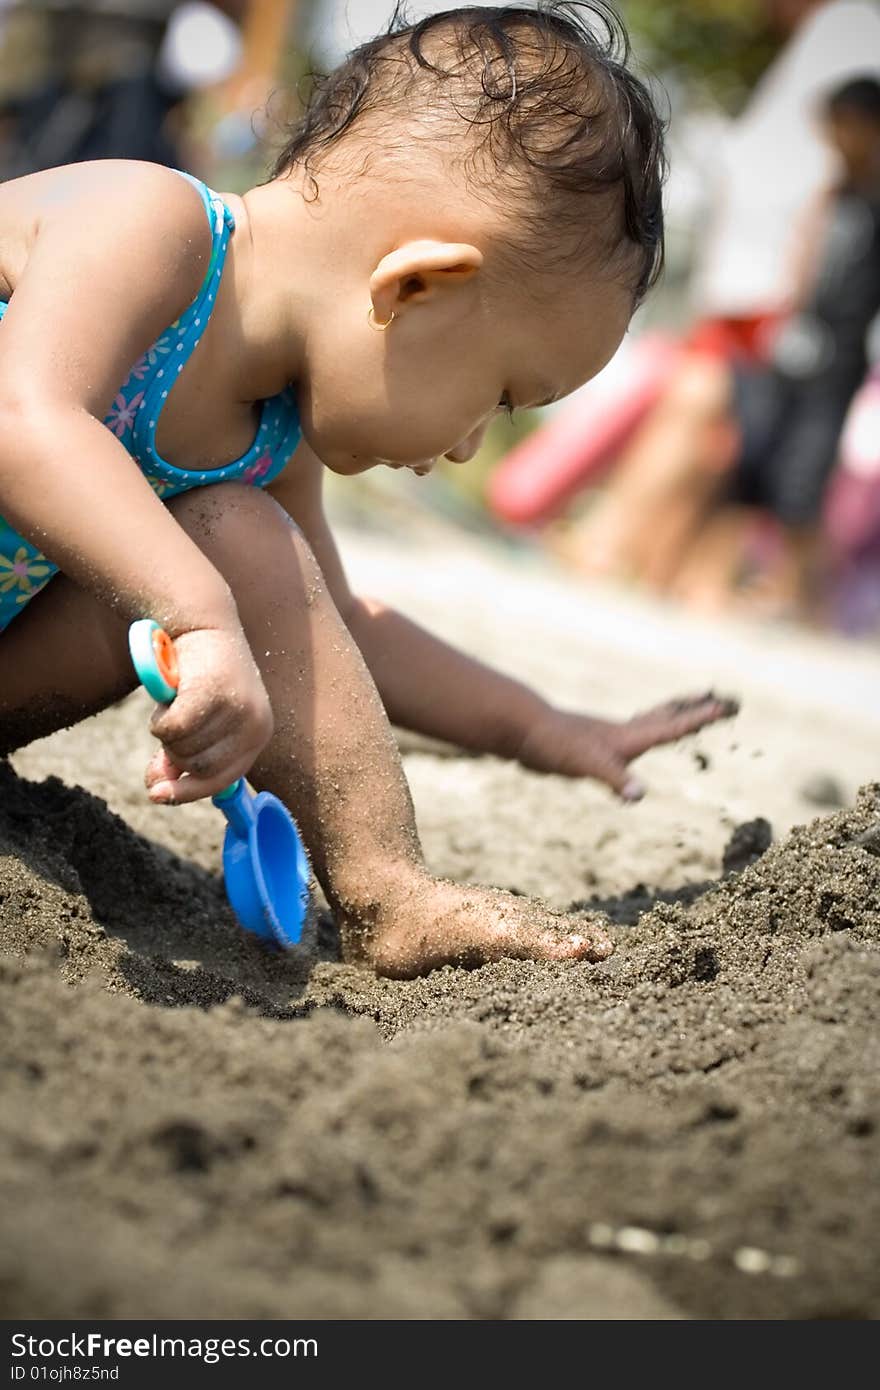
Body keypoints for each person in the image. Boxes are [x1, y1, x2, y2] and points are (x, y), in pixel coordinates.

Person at [0, 3, 733, 978]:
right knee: (222, 564)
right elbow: (26, 418)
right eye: (502, 396)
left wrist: (536, 725)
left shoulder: (267, 437)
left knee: (248, 541)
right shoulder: (149, 225)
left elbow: (331, 627)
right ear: (414, 287)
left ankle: (390, 893)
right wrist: (199, 615)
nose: (472, 447)